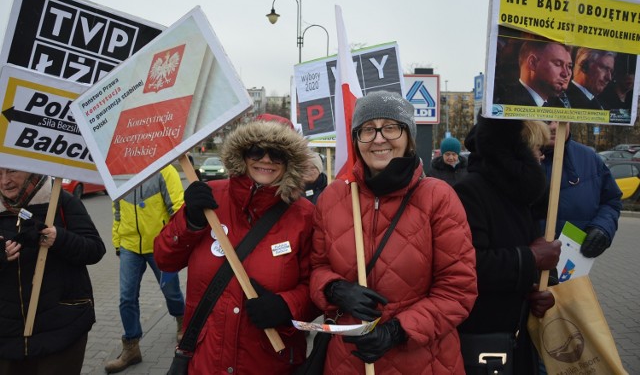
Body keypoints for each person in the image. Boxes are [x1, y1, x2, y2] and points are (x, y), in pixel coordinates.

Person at [310, 90, 478, 374]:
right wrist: (333, 288)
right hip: (347, 361)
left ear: (408, 137)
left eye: (390, 127)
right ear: (356, 139)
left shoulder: (438, 197)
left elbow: (458, 290)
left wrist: (397, 332)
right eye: (367, 129)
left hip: (425, 362)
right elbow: (316, 267)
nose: (378, 138)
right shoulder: (333, 197)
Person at [154, 119, 317, 374]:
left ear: (289, 161)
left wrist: (287, 305)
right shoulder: (209, 198)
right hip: (206, 360)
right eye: (256, 150)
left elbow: (316, 285)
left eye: (277, 153)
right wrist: (190, 222)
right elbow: (165, 259)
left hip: (270, 362)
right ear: (242, 154)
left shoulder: (304, 215)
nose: (266, 159)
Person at [453, 117, 561, 374]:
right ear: (517, 151)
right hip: (485, 338)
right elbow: (469, 265)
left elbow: (538, 256)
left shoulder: (521, 195)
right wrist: (531, 258)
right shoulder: (469, 192)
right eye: (537, 149)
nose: (541, 157)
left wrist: (545, 290)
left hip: (521, 335)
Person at [0, 169, 106, 375]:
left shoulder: (62, 201)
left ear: (30, 169)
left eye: (12, 171)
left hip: (62, 329)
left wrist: (61, 239)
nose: (5, 181)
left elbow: (95, 250)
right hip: (7, 336)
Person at [105, 164, 186, 373]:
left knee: (172, 293)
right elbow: (117, 212)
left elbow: (178, 209)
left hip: (160, 246)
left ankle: (182, 321)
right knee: (126, 297)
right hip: (129, 247)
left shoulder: (164, 169)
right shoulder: (118, 173)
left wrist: (174, 244)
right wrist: (117, 242)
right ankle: (131, 348)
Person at [542, 121, 622, 257]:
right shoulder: (512, 156)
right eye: (546, 121)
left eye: (560, 120)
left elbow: (611, 201)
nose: (554, 127)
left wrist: (603, 228)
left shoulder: (589, 159)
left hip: (570, 269)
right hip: (521, 270)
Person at [497, 41, 573, 107]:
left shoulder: (559, 104)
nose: (566, 74)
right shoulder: (508, 105)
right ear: (533, 63)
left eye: (569, 66)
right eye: (558, 64)